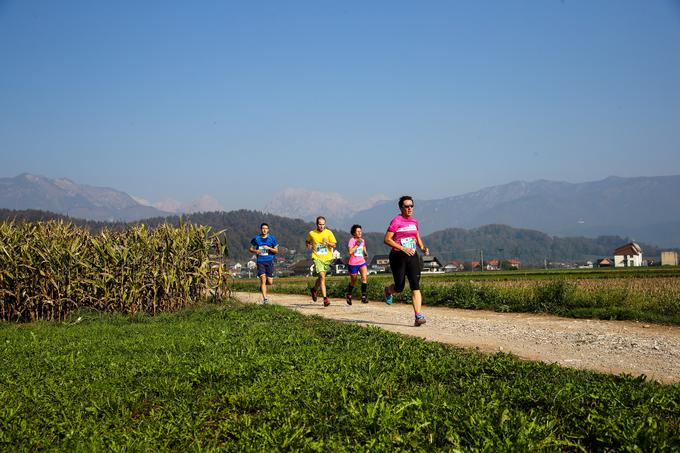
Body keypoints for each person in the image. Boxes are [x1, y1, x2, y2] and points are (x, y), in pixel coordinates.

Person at [383, 196, 430, 326]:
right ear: (401, 208)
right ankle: (388, 290)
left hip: (413, 256)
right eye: (407, 206)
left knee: (415, 286)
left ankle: (418, 316)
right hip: (398, 256)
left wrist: (422, 247)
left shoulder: (414, 222)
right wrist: (402, 248)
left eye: (411, 206)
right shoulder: (396, 221)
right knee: (399, 287)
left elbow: (416, 235)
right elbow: (387, 239)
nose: (410, 208)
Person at [306, 216, 337, 307]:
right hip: (317, 257)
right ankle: (325, 299)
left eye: (323, 224)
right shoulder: (312, 233)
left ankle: (314, 289)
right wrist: (308, 245)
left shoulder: (329, 233)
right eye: (320, 224)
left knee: (320, 278)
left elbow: (334, 245)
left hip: (327, 259)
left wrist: (327, 243)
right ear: (316, 224)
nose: (321, 226)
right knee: (322, 277)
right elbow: (307, 241)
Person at [248, 223, 279, 304]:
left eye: (266, 228)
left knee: (270, 282)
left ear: (268, 230)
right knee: (263, 280)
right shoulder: (256, 238)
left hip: (269, 261)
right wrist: (256, 251)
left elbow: (276, 251)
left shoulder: (272, 239)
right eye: (263, 228)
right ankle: (265, 299)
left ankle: (262, 287)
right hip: (260, 261)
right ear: (260, 229)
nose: (264, 230)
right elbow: (250, 249)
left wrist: (269, 248)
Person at [345, 224, 369, 305]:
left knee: (364, 277)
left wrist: (365, 252)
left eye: (360, 231)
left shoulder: (362, 240)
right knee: (353, 281)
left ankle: (363, 296)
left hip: (361, 262)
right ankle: (348, 294)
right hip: (353, 263)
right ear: (354, 233)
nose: (360, 233)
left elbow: (364, 246)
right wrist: (356, 245)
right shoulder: (351, 240)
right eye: (358, 231)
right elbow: (350, 252)